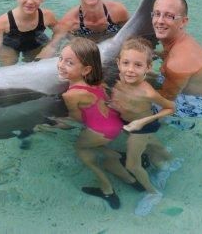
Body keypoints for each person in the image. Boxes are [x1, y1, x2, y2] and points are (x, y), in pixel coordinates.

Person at [146, 0, 202, 188]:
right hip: (199, 88)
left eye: (169, 16)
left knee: (133, 116)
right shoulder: (179, 40)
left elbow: (166, 103)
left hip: (195, 103)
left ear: (184, 21)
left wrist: (144, 122)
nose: (160, 21)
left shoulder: (178, 63)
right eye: (156, 14)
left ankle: (164, 163)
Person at [57, 37, 140, 210]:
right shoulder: (98, 82)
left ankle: (107, 189)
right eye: (60, 59)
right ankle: (130, 179)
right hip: (114, 124)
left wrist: (56, 124)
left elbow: (76, 118)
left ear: (86, 69)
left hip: (99, 131)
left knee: (82, 151)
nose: (61, 65)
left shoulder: (70, 94)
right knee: (93, 147)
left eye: (69, 62)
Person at [109, 37, 175, 216]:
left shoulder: (147, 92)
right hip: (128, 121)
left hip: (142, 126)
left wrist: (142, 122)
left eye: (138, 65)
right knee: (152, 142)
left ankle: (153, 193)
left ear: (148, 68)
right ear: (118, 63)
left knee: (132, 164)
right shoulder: (118, 79)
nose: (130, 70)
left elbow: (171, 107)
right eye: (126, 63)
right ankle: (169, 161)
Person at [36, 0, 128, 59]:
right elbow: (52, 46)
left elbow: (132, 36)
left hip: (113, 51)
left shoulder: (118, 12)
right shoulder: (69, 22)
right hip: (85, 55)